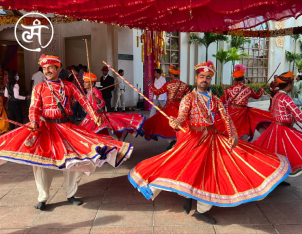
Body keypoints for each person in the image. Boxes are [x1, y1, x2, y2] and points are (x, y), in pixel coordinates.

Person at [128, 61, 290, 224]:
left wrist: (233, 134)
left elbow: (226, 118)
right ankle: (187, 196)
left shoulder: (216, 100)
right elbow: (181, 118)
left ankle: (200, 210)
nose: (204, 80)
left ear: (210, 80)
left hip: (213, 138)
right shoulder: (188, 98)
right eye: (202, 77)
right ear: (197, 78)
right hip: (193, 140)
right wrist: (175, 122)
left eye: (208, 77)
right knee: (186, 169)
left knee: (211, 173)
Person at [0, 54, 133, 211]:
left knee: (73, 161)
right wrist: (34, 121)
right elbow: (34, 107)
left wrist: (94, 115)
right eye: (44, 68)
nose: (47, 71)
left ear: (58, 69)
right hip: (45, 128)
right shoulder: (39, 88)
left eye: (50, 67)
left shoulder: (69, 86)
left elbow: (84, 101)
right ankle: (43, 197)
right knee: (41, 163)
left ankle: (71, 194)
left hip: (65, 127)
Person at [80, 72, 145, 140]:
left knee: (91, 134)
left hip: (97, 117)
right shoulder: (89, 92)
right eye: (84, 82)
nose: (84, 83)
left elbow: (102, 103)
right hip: (91, 116)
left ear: (92, 83)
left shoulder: (95, 91)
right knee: (98, 135)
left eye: (86, 82)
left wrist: (95, 98)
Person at [219, 64, 273, 141]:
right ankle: (240, 141)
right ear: (243, 78)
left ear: (234, 80)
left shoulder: (230, 89)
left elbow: (221, 101)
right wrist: (262, 89)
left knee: (229, 127)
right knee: (241, 128)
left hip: (231, 110)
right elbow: (257, 96)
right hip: (243, 112)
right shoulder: (248, 89)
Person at [141, 65, 190, 149]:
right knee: (182, 124)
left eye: (170, 74)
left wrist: (150, 84)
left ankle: (172, 141)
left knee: (164, 124)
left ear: (171, 74)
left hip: (170, 107)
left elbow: (157, 92)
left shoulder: (168, 84)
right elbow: (189, 95)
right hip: (181, 108)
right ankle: (179, 141)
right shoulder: (184, 85)